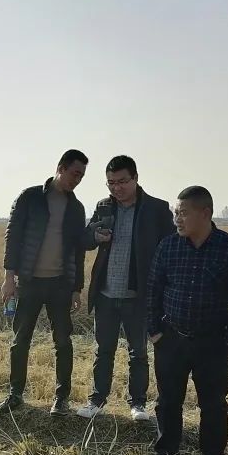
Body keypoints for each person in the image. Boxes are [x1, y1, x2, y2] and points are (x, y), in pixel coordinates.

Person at [146, 186, 228, 455]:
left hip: (213, 343)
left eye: (183, 213)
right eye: (175, 213)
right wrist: (155, 331)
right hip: (172, 339)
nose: (177, 219)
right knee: (168, 402)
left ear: (205, 213)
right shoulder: (168, 246)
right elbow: (153, 290)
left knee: (214, 405)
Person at [76, 155, 175, 421]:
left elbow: (170, 249)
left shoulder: (156, 209)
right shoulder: (104, 206)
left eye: (122, 182)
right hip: (106, 293)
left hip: (138, 295)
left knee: (138, 353)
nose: (116, 188)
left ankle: (138, 404)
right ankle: (96, 400)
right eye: (111, 183)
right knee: (103, 351)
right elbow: (85, 239)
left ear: (136, 178)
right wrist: (94, 236)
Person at [0, 149, 88, 416]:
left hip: (60, 284)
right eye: (74, 174)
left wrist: (76, 288)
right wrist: (8, 278)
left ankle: (61, 399)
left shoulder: (76, 208)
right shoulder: (30, 197)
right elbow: (13, 236)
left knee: (63, 342)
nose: (77, 180)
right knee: (20, 340)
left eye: (81, 176)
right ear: (60, 168)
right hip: (29, 282)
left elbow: (78, 250)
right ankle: (15, 395)